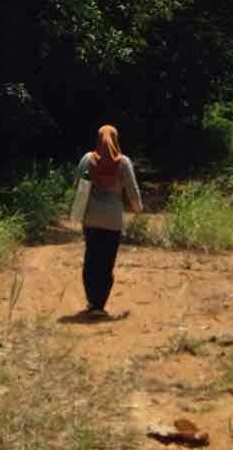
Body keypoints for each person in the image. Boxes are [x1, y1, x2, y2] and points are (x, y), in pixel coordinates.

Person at [75, 124, 142, 320]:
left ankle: (92, 301)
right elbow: (132, 189)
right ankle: (100, 304)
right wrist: (137, 209)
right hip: (113, 220)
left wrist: (77, 215)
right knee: (106, 262)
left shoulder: (88, 161)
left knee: (91, 259)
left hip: (91, 219)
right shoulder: (123, 163)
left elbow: (81, 188)